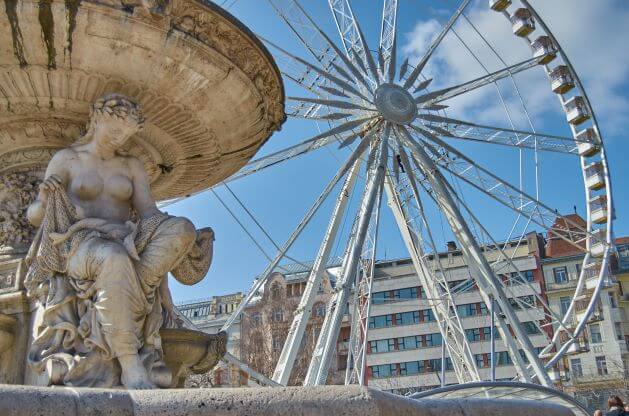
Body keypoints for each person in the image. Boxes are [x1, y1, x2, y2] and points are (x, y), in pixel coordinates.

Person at [25, 94, 214, 389]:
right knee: (113, 258)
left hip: (127, 240)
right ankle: (129, 361)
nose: (118, 139)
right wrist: (46, 198)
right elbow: (36, 216)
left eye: (124, 135)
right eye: (113, 131)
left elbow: (149, 212)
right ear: (96, 120)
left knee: (183, 228)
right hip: (80, 244)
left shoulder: (131, 165)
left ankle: (130, 293)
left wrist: (183, 238)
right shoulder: (67, 159)